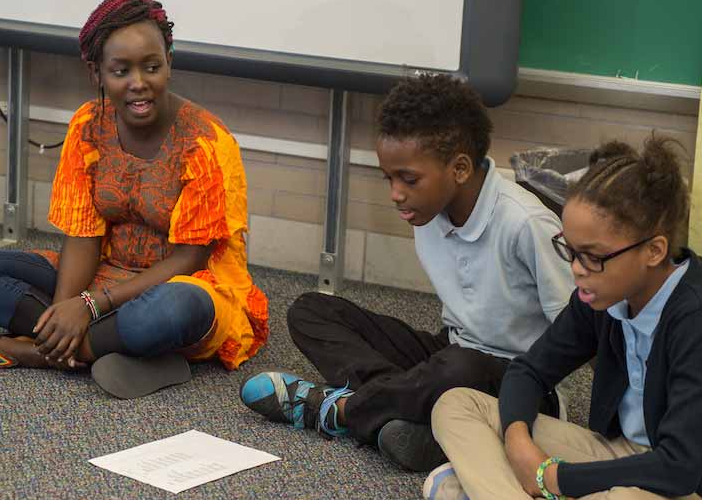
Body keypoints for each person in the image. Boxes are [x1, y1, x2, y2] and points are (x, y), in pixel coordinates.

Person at [430, 137, 702, 500]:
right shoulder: (601, 294)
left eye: (592, 256)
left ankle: (499, 499)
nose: (576, 270)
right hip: (615, 454)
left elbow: (678, 467)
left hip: (699, 495)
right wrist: (518, 444)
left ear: (653, 251)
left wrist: (556, 478)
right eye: (569, 250)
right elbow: (528, 372)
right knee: (455, 406)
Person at [240, 74, 573, 470]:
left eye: (409, 179)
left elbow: (578, 329)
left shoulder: (527, 223)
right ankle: (403, 411)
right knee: (310, 311)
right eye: (390, 178)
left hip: (523, 382)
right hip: (453, 352)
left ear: (461, 168)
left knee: (459, 367)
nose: (395, 193)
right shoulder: (429, 210)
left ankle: (343, 411)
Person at [0, 0, 267, 397]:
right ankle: (88, 348)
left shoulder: (205, 142)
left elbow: (189, 259)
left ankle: (39, 352)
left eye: (152, 67)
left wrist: (92, 306)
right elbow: (83, 234)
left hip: (185, 285)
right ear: (97, 74)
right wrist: (67, 311)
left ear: (170, 63)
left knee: (173, 309)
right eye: (121, 71)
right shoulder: (87, 126)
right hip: (103, 274)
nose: (139, 83)